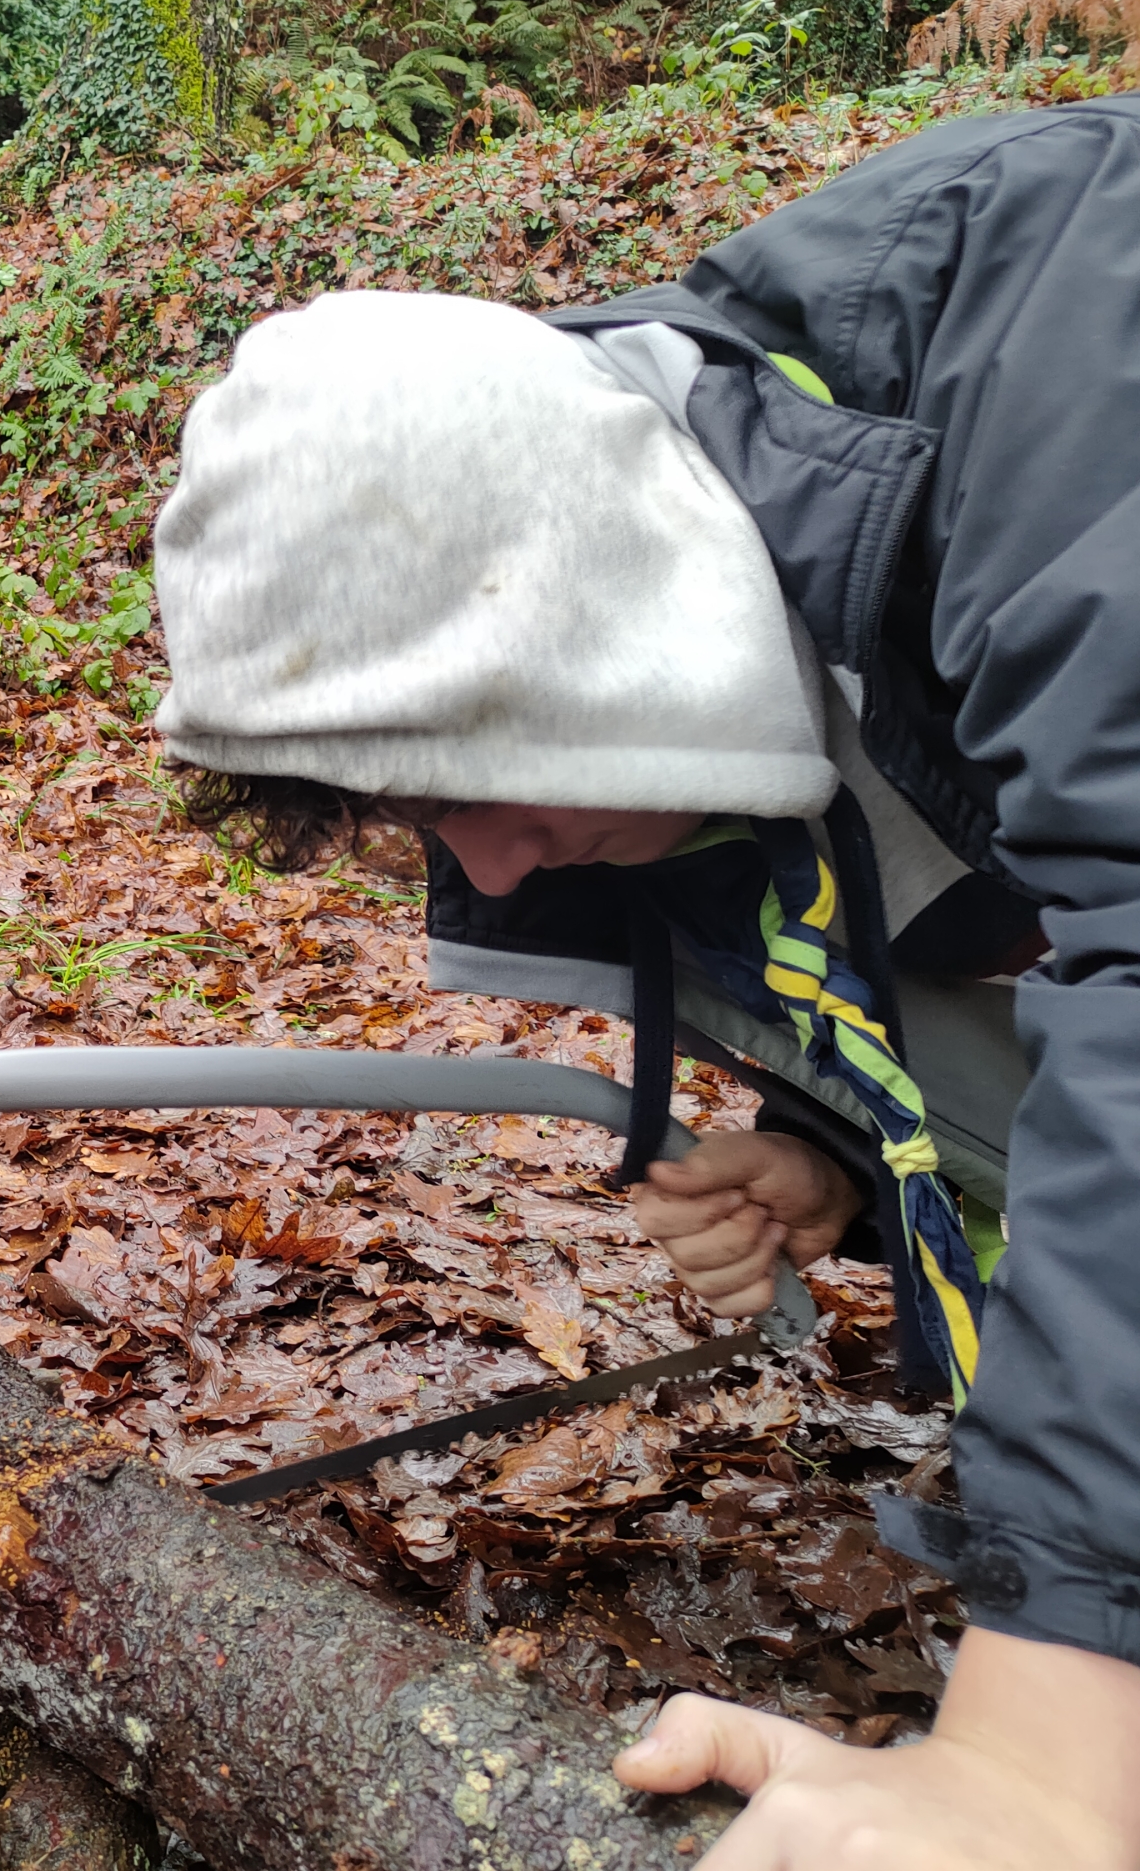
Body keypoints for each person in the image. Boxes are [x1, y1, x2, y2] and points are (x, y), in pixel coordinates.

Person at [149, 97, 1140, 1867]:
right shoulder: (729, 600)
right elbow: (993, 918)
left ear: (598, 630)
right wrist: (845, 1156)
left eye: (474, 783)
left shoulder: (1058, 338)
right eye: (420, 825)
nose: (491, 871)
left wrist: (1041, 1757)